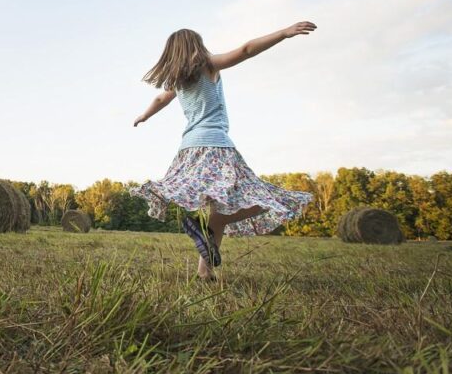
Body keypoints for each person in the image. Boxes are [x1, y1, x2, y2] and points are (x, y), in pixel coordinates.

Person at [130, 22, 317, 281]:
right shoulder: (208, 65)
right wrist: (283, 34)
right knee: (261, 200)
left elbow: (161, 99)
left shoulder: (180, 80)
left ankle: (204, 273)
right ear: (197, 46)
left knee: (218, 213)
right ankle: (203, 227)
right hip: (216, 146)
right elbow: (246, 49)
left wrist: (144, 116)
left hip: (189, 147)